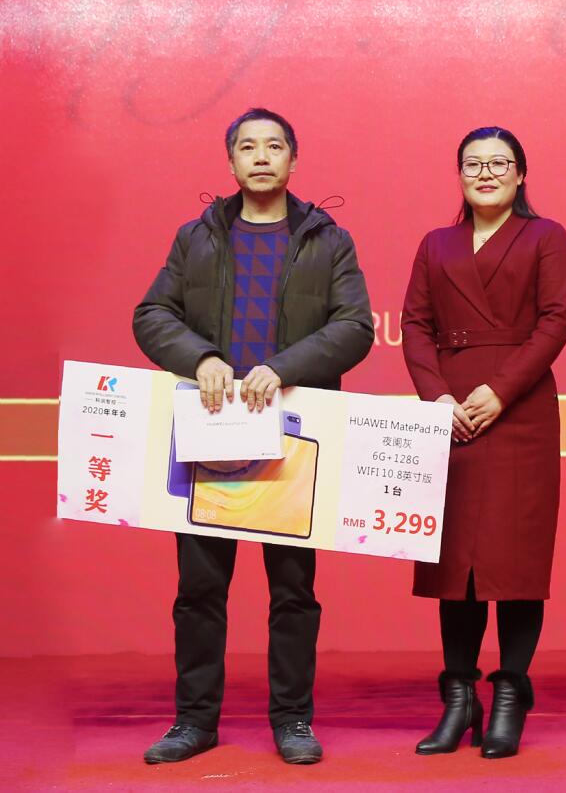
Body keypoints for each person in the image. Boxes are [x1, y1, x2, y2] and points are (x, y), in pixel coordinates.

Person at [133, 107, 374, 765]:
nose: (261, 156)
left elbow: (355, 326)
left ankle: (293, 719)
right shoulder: (197, 237)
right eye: (247, 146)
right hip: (210, 431)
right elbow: (152, 313)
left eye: (274, 146)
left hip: (294, 437)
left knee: (293, 591)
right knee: (199, 589)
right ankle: (194, 721)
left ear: (294, 159)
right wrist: (201, 358)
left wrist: (283, 367)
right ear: (231, 161)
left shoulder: (328, 240)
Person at [401, 126, 566, 759]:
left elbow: (555, 323)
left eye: (499, 163)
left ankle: (509, 696)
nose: (486, 173)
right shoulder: (436, 243)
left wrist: (499, 392)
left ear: (521, 174)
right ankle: (458, 698)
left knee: (516, 561)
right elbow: (414, 325)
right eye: (473, 164)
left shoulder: (546, 236)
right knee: (456, 565)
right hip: (450, 413)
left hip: (520, 411)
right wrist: (436, 398)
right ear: (459, 175)